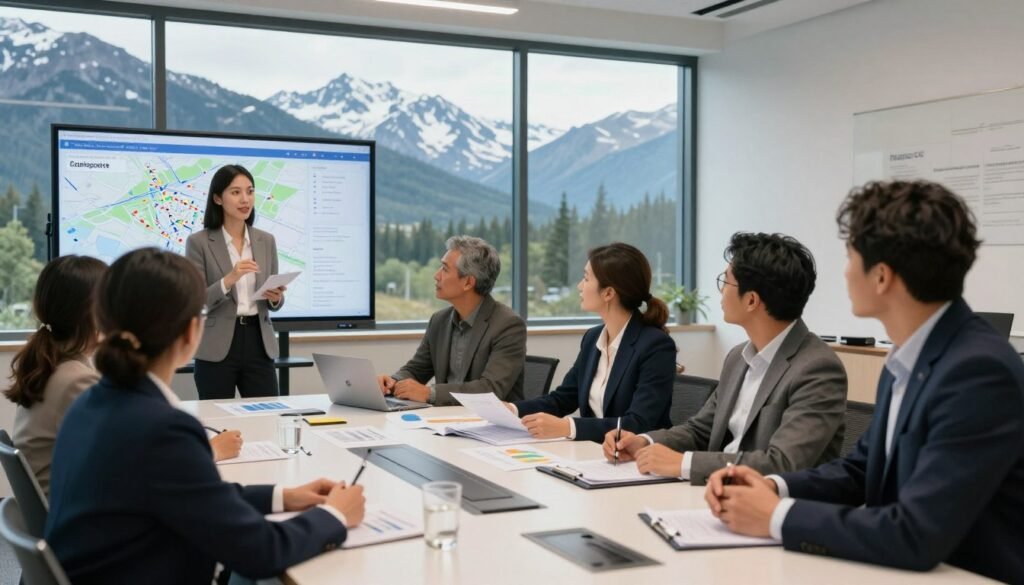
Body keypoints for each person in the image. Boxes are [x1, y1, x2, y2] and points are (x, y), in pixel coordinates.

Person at [704, 181, 1024, 583]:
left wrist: (777, 516)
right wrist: (773, 485)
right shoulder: (910, 357)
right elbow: (860, 471)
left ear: (882, 277)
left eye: (850, 256)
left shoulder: (977, 372)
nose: (845, 270)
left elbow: (915, 533)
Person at [44, 248, 365, 584]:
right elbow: (260, 551)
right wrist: (335, 516)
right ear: (191, 333)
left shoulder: (93, 402)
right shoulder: (162, 428)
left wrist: (284, 496)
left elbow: (195, 494)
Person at [603, 233, 847, 485]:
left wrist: (683, 463)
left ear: (751, 300)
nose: (720, 290)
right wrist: (645, 441)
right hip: (716, 494)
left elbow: (782, 463)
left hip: (769, 510)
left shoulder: (817, 368)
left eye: (726, 282)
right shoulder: (738, 357)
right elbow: (700, 430)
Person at [4, 257, 245, 495]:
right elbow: (135, 463)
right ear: (93, 312)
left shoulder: (54, 364)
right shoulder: (76, 381)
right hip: (77, 517)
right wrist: (211, 450)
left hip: (58, 507)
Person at [508, 242, 676, 442]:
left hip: (635, 459)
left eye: (586, 278)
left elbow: (639, 423)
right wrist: (511, 408)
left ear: (608, 293)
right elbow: (563, 399)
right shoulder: (592, 338)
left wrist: (568, 427)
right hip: (592, 455)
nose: (580, 286)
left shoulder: (656, 346)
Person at [377, 235, 526, 406]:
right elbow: (417, 369)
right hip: (445, 420)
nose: (436, 275)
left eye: (445, 269)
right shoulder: (439, 320)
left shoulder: (508, 325)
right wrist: (392, 382)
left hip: (492, 425)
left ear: (468, 282)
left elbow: (490, 389)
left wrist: (430, 393)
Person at [186, 164, 286, 400]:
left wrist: (276, 298)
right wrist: (230, 279)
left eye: (250, 191)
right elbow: (196, 301)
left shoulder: (266, 240)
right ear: (218, 198)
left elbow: (273, 299)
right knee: (219, 422)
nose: (245, 199)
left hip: (259, 343)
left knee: (268, 416)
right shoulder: (198, 242)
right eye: (236, 192)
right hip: (217, 345)